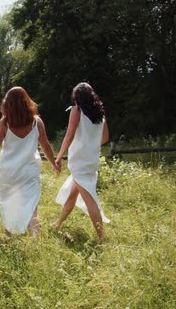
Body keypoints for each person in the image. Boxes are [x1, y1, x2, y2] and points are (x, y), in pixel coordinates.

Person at [0, 87, 59, 237]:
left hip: (9, 172)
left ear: (7, 104)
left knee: (10, 205)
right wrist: (54, 163)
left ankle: (10, 239)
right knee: (32, 207)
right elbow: (45, 145)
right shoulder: (37, 122)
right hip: (29, 172)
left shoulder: (4, 123)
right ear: (27, 102)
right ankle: (35, 242)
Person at [53, 82, 110, 240]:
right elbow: (105, 138)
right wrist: (90, 144)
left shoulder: (76, 110)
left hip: (79, 160)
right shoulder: (100, 114)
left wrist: (58, 157)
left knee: (89, 198)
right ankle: (57, 223)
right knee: (73, 193)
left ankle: (102, 237)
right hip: (91, 159)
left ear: (76, 97)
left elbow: (69, 134)